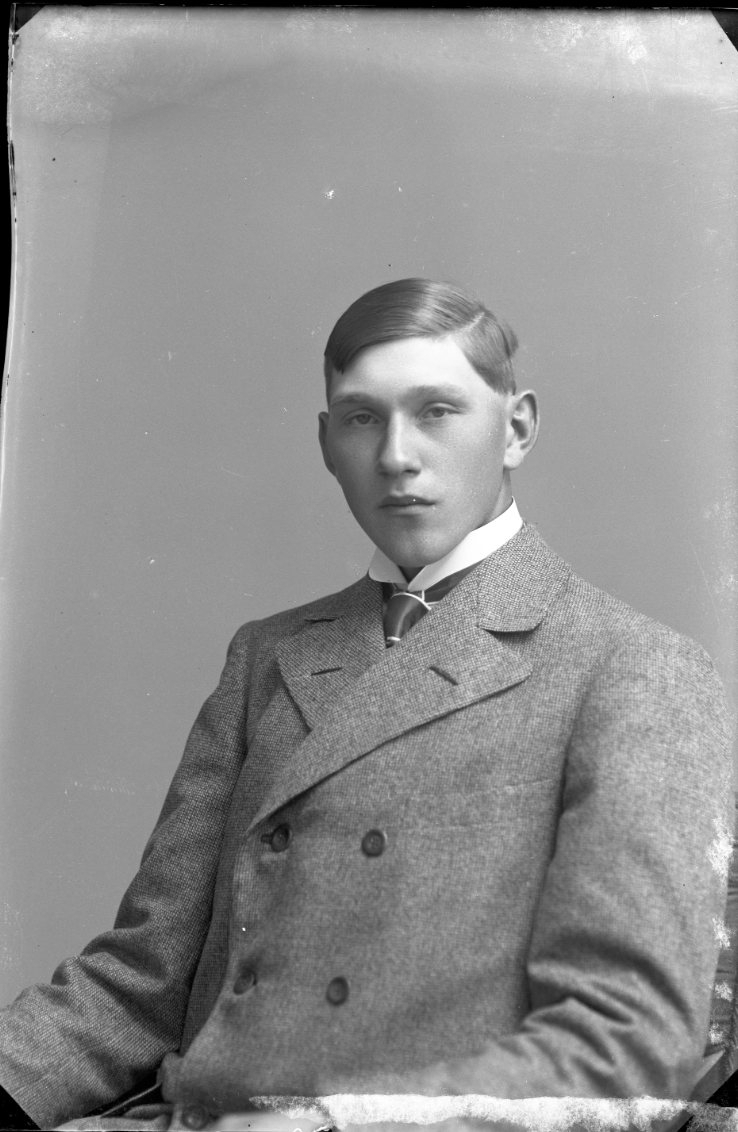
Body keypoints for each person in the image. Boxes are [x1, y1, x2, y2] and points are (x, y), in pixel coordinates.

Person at [0, 279, 733, 1132]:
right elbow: (139, 985)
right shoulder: (268, 655)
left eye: (437, 411)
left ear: (517, 428)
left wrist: (334, 1124)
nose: (395, 456)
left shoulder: (634, 667)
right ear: (325, 443)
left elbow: (622, 1044)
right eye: (361, 418)